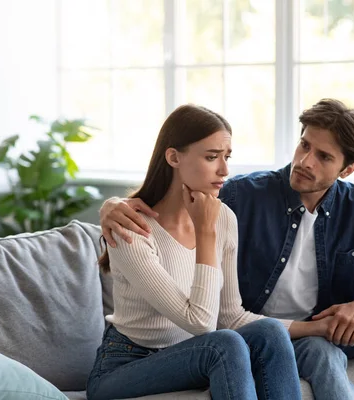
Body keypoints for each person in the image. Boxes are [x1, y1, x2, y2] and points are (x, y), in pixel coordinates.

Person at [99, 98, 354, 400]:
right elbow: (173, 199)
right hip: (257, 331)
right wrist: (111, 206)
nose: (306, 161)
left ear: (347, 169)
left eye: (323, 156)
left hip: (318, 326)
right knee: (295, 346)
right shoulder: (244, 195)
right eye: (304, 145)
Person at [86, 104, 305, 400]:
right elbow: (201, 322)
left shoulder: (225, 217)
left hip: (187, 354)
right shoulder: (132, 228)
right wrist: (205, 232)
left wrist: (317, 327)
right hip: (124, 365)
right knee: (223, 345)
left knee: (270, 333)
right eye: (211, 157)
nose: (224, 170)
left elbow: (230, 316)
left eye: (226, 157)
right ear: (174, 157)